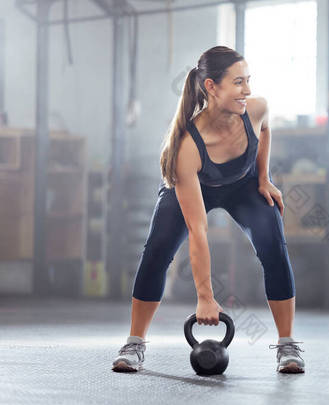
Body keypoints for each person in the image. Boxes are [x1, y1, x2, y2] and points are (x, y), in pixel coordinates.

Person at [112, 46, 304, 374]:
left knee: (273, 244)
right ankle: (134, 342)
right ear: (212, 87)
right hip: (193, 186)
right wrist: (205, 297)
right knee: (156, 251)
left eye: (249, 80)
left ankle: (287, 345)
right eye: (238, 82)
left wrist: (264, 178)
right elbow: (198, 232)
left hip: (243, 185)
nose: (248, 90)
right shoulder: (187, 146)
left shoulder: (256, 109)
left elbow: (265, 131)